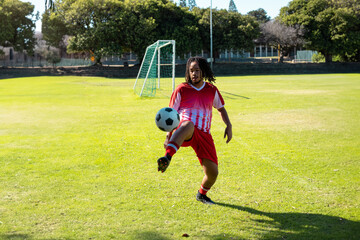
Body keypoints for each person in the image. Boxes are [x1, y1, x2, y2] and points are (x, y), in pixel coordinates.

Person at [157, 56, 232, 205]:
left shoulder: (211, 90)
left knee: (213, 173)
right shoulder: (181, 89)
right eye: (191, 71)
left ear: (203, 71)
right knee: (188, 124)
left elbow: (221, 109)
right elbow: (171, 114)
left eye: (197, 70)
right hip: (185, 131)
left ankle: (201, 194)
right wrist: (168, 136)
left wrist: (228, 125)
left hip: (204, 134)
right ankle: (167, 157)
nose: (194, 74)